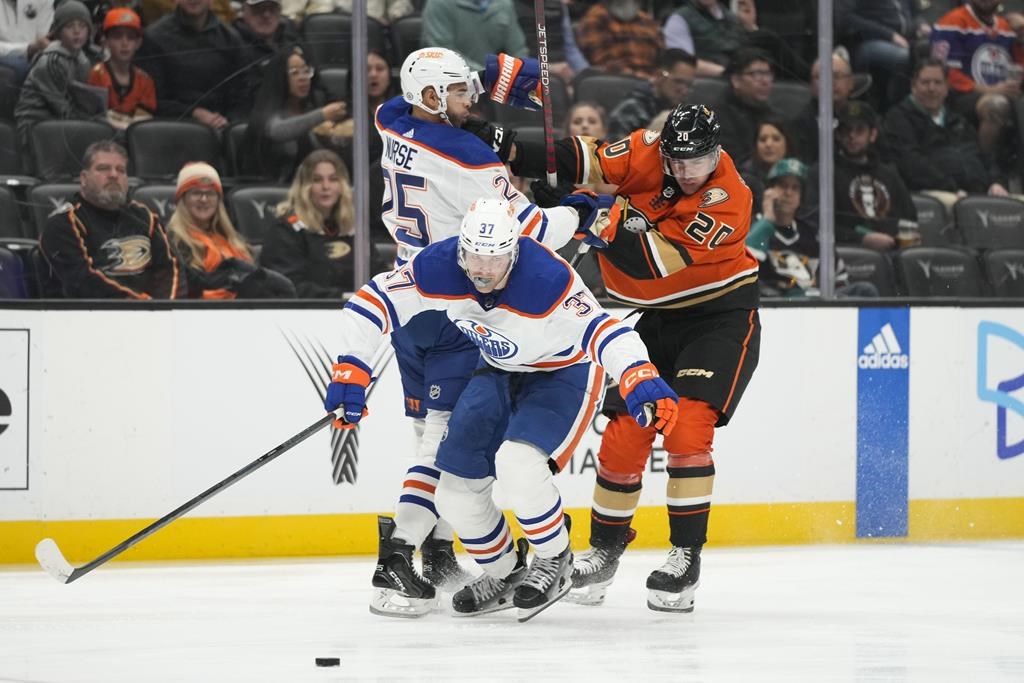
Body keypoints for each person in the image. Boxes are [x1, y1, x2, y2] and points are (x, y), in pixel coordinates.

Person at [324, 197, 680, 620]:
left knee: (517, 465)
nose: (482, 271)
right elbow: (374, 300)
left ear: (514, 250)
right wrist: (351, 364)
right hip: (496, 370)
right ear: (461, 249)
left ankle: (554, 556)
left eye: (494, 261)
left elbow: (603, 330)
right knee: (453, 492)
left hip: (561, 374)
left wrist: (638, 374)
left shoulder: (546, 278)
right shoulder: (442, 265)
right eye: (473, 256)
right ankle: (506, 571)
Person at [359, 46, 592, 618]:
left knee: (428, 438)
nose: (474, 100)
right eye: (460, 92)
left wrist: (491, 83)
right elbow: (536, 231)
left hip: (412, 298)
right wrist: (579, 210)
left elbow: (422, 97)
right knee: (444, 445)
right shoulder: (470, 159)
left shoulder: (389, 119)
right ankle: (402, 552)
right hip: (457, 302)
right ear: (434, 98)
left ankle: (437, 552)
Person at [509, 103, 761, 612]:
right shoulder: (648, 149)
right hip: (659, 321)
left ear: (717, 152)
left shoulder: (730, 198)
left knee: (687, 425)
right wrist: (508, 144)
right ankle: (604, 551)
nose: (688, 172)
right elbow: (585, 159)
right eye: (678, 160)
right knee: (626, 429)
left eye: (700, 160)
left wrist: (587, 214)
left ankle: (685, 557)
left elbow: (648, 262)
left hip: (719, 320)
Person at [39, 141, 183, 299]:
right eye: (103, 168)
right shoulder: (63, 223)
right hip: (87, 317)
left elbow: (171, 269)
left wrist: (164, 309)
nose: (114, 175)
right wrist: (142, 306)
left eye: (121, 170)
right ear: (84, 178)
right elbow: (82, 282)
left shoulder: (145, 217)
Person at [883, 57, 1009, 205]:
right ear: (913, 86)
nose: (932, 88)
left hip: (978, 194)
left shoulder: (957, 120)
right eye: (925, 82)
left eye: (938, 82)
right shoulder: (898, 118)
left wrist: (997, 182)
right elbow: (911, 163)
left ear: (946, 88)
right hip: (936, 197)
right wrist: (951, 188)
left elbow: (985, 157)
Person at [748, 158, 877, 298]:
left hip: (814, 303)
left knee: (865, 290)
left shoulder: (813, 234)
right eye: (783, 186)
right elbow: (744, 268)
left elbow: (839, 279)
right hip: (778, 304)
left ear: (801, 197)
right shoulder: (755, 228)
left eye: (795, 188)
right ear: (770, 191)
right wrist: (768, 219)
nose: (789, 193)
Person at [260, 150, 381, 297]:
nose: (326, 186)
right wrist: (342, 297)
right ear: (304, 186)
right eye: (317, 180)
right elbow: (289, 287)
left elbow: (377, 274)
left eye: (333, 179)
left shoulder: (354, 228)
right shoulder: (285, 231)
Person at [166, 162, 295, 298]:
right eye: (196, 193)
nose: (204, 199)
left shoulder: (232, 241)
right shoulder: (174, 243)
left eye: (210, 193)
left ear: (218, 200)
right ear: (183, 199)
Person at [930, 0, 1023, 157]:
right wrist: (989, 90)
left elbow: (1019, 66)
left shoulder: (1007, 28)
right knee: (995, 105)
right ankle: (983, 166)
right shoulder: (951, 22)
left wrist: (1022, 35)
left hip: (1004, 93)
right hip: (960, 96)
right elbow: (942, 71)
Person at [137, 0, 248, 130]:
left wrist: (227, 121)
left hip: (222, 128)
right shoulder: (154, 37)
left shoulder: (231, 38)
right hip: (170, 129)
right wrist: (195, 113)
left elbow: (243, 94)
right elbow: (152, 99)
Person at [240, 46, 346, 182]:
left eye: (306, 71)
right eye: (294, 72)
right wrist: (322, 115)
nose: (303, 78)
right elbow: (277, 130)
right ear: (281, 77)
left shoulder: (314, 104)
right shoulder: (266, 112)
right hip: (277, 189)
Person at [14, 0, 104, 155]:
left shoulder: (83, 60)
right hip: (35, 126)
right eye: (70, 27)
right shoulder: (50, 61)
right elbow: (61, 107)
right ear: (58, 32)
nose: (77, 32)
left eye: (82, 26)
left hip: (63, 121)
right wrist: (91, 122)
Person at [829, 100, 918, 251]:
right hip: (846, 254)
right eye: (846, 130)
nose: (852, 136)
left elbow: (909, 219)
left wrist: (903, 238)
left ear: (873, 135)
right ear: (838, 135)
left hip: (892, 253)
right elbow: (816, 224)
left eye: (859, 130)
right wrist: (861, 239)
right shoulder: (825, 173)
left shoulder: (889, 174)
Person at [663, 0, 809, 81]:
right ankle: (811, 77)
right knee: (765, 37)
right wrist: (725, 72)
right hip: (721, 73)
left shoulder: (729, 16)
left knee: (765, 38)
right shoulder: (679, 19)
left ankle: (811, 77)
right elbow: (683, 64)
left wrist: (749, 26)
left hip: (741, 66)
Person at [87, 8, 156, 130]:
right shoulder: (97, 75)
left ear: (138, 43)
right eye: (117, 36)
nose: (125, 43)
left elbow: (143, 123)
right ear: (106, 41)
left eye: (130, 38)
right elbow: (95, 117)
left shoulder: (145, 81)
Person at [606, 49, 696, 141]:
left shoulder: (686, 110)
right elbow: (614, 151)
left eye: (689, 85)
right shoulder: (631, 110)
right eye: (678, 82)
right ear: (659, 76)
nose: (684, 90)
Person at [711, 46, 780, 165]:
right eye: (756, 74)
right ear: (736, 81)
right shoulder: (718, 119)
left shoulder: (775, 117)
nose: (765, 81)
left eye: (768, 74)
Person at [421, 0, 527, 71]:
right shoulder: (438, 4)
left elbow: (518, 49)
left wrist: (520, 74)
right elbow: (444, 53)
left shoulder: (504, 4)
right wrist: (486, 75)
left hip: (493, 84)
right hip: (449, 84)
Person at [573, 0, 664, 78]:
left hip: (652, 84)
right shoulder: (594, 20)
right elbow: (604, 64)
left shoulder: (648, 22)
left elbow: (662, 60)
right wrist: (642, 78)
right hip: (615, 83)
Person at [233, 0, 299, 102]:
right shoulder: (233, 44)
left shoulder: (291, 37)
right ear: (244, 10)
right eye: (259, 9)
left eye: (272, 8)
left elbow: (317, 84)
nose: (266, 14)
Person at [738, 116, 792, 212]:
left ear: (787, 143)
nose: (769, 144)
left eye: (776, 139)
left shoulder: (797, 176)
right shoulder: (743, 182)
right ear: (755, 145)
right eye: (763, 139)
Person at [0, 0, 54, 81]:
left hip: (36, 57)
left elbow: (43, 39)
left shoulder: (44, 1)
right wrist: (27, 48)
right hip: (5, 59)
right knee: (19, 67)